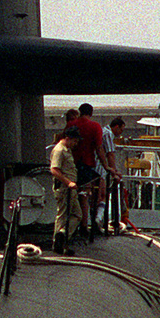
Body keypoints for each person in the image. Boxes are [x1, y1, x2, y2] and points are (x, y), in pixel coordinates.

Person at [71, 102, 106, 240]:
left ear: (80, 112)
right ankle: (84, 227)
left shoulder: (72, 125)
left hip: (71, 165)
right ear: (91, 113)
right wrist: (106, 166)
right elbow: (99, 148)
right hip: (86, 165)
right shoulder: (95, 126)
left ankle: (70, 227)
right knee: (84, 196)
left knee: (71, 196)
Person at [49, 121, 82, 254]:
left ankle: (62, 236)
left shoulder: (66, 150)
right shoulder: (59, 150)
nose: (76, 144)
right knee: (62, 215)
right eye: (74, 141)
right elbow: (54, 170)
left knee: (77, 215)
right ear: (67, 138)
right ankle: (58, 243)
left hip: (70, 189)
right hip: (64, 188)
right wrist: (68, 182)